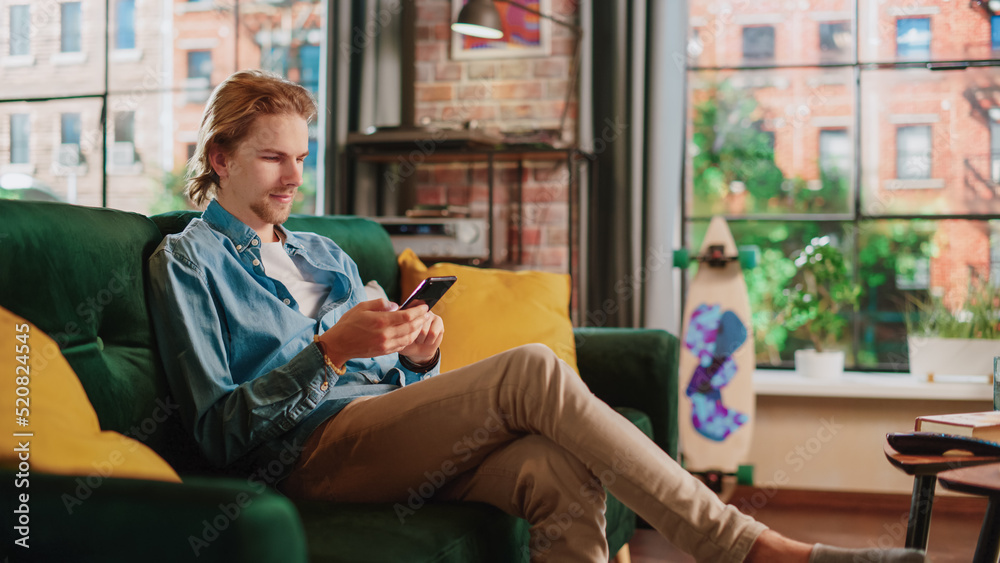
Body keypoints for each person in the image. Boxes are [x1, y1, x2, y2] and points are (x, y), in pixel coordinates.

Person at [148, 69, 926, 563]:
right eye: (274, 157)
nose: (294, 176)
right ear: (220, 157)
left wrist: (419, 352)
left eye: (302, 156)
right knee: (531, 368)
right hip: (302, 457)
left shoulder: (324, 254)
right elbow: (220, 430)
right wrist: (327, 353)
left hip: (384, 426)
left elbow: (387, 371)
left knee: (558, 474)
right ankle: (744, 547)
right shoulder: (187, 260)